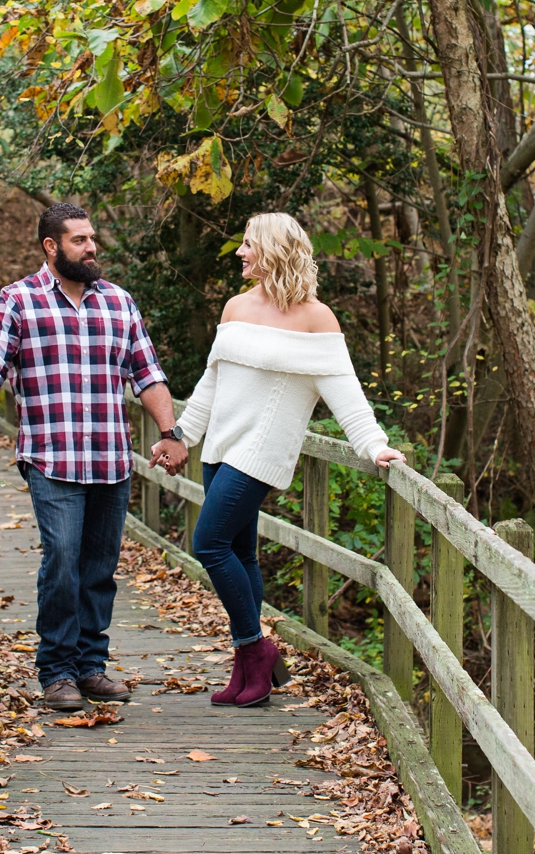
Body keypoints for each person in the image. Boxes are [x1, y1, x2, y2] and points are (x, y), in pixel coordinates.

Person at [0, 202, 187, 712]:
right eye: (79, 240)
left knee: (99, 567)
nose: (91, 248)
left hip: (111, 459)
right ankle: (56, 671)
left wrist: (170, 430)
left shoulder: (118, 302)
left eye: (92, 239)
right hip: (51, 459)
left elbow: (148, 374)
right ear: (52, 247)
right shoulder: (17, 302)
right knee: (63, 561)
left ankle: (91, 667)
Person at [150, 213, 405, 708]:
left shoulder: (316, 318)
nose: (240, 252)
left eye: (248, 244)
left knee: (209, 543)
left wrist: (375, 445)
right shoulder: (235, 307)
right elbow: (212, 382)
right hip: (221, 448)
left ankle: (257, 648)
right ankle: (249, 669)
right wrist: (182, 434)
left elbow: (346, 394)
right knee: (241, 553)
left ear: (274, 250)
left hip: (261, 453)